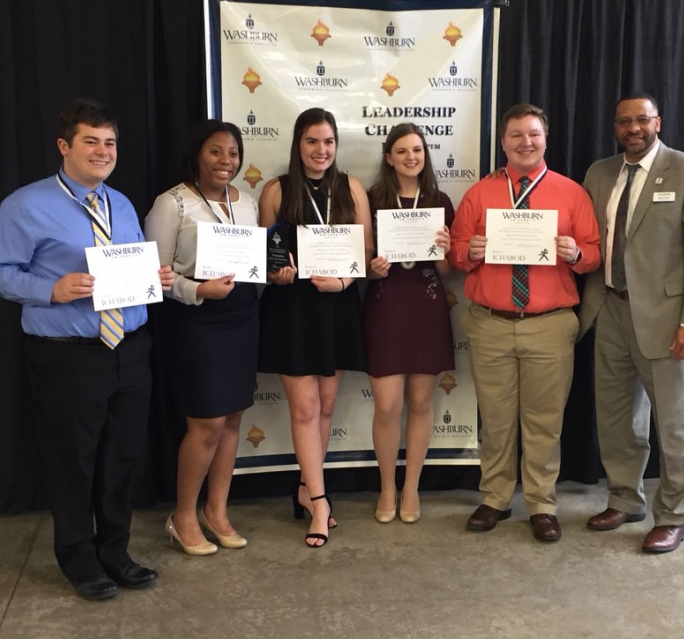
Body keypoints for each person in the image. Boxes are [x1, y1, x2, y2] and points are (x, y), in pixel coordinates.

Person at [0, 98, 174, 600]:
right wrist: (51, 289)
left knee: (123, 456)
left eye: (110, 142)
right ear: (64, 146)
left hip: (128, 348)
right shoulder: (26, 205)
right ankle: (78, 558)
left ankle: (116, 552)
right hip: (68, 353)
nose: (103, 151)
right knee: (74, 460)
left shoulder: (121, 204)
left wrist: (156, 279)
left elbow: (127, 267)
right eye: (91, 141)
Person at [577, 92, 684, 554]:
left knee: (675, 424)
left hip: (668, 321)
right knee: (618, 418)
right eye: (625, 121)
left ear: (658, 121)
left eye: (642, 119)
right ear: (615, 126)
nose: (633, 128)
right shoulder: (599, 173)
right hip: (610, 310)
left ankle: (674, 515)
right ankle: (625, 497)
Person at [448, 103, 601, 543]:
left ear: (546, 139)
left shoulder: (571, 193)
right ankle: (495, 497)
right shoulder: (479, 194)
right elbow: (455, 252)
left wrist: (576, 253)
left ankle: (541, 503)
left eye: (533, 134)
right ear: (503, 142)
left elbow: (594, 252)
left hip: (549, 324)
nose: (525, 142)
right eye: (516, 135)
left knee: (544, 421)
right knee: (496, 420)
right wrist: (469, 252)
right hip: (491, 322)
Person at [257, 108, 373, 548]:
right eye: (311, 142)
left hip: (337, 304)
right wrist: (277, 274)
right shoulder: (277, 190)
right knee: (305, 409)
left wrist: (344, 280)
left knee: (325, 407)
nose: (320, 150)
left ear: (336, 146)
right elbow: (267, 259)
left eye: (328, 142)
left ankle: (306, 489)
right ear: (297, 145)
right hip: (293, 309)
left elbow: (364, 251)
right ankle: (321, 502)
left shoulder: (352, 188)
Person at [144, 120, 259, 556]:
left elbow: (254, 263)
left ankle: (217, 510)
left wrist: (277, 272)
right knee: (206, 422)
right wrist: (197, 290)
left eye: (232, 153)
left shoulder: (246, 204)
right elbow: (153, 276)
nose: (225, 161)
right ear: (197, 154)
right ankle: (183, 515)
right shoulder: (172, 204)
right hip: (195, 321)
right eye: (215, 152)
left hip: (242, 317)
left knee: (232, 418)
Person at [364, 123, 455, 524]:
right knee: (387, 406)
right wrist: (373, 269)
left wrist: (443, 252)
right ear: (388, 158)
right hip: (385, 307)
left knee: (420, 403)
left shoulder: (439, 199)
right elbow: (360, 264)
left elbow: (449, 270)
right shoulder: (371, 200)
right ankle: (386, 486)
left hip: (427, 306)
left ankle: (411, 487)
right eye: (402, 151)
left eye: (417, 149)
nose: (411, 157)